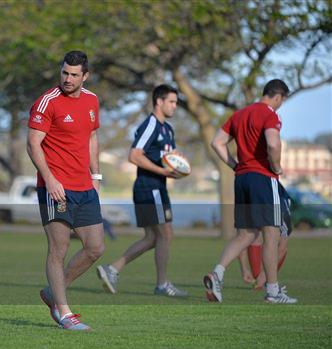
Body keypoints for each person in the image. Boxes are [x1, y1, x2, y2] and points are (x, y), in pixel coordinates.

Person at [27, 50, 104, 331]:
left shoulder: (92, 100)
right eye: (64, 73)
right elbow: (33, 144)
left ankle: (52, 292)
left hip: (85, 187)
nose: (68, 79)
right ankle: (64, 312)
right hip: (55, 188)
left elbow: (92, 137)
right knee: (58, 250)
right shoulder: (47, 102)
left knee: (95, 248)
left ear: (85, 76)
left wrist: (96, 175)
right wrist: (49, 179)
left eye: (74, 75)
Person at [204, 79, 297, 304]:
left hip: (242, 178)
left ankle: (217, 273)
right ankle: (273, 292)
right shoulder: (270, 114)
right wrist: (276, 167)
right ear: (279, 97)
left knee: (246, 234)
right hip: (264, 179)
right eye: (282, 101)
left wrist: (236, 165)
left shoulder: (239, 114)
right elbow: (273, 144)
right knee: (272, 234)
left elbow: (217, 143)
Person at [96, 84, 187, 297]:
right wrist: (162, 172)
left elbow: (169, 159)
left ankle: (112, 269)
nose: (175, 106)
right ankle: (162, 284)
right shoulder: (151, 125)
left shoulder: (168, 129)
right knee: (165, 233)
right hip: (149, 187)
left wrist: (179, 167)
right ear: (159, 102)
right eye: (172, 102)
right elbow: (134, 155)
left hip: (157, 188)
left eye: (176, 102)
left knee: (153, 238)